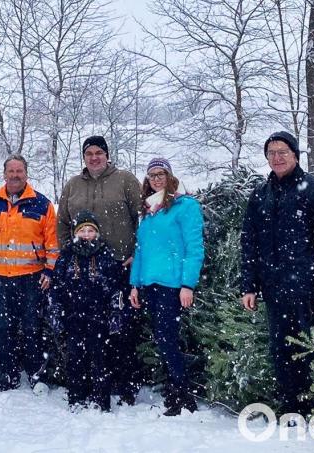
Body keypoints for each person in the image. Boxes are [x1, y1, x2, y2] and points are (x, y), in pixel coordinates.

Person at [240, 131, 314, 417]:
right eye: (271, 153)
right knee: (282, 351)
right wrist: (249, 285)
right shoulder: (260, 195)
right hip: (275, 289)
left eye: (282, 152)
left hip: (309, 288)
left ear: (295, 155)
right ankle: (292, 410)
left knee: (312, 349)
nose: (276, 158)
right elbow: (249, 242)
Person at [56, 135, 143, 405]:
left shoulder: (125, 180)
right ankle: (86, 385)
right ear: (84, 157)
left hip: (120, 267)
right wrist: (68, 253)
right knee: (86, 334)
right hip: (83, 273)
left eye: (99, 153)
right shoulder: (73, 185)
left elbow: (143, 217)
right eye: (89, 153)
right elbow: (62, 222)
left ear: (107, 155)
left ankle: (125, 385)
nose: (94, 158)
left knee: (121, 329)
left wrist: (137, 252)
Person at [0, 155, 59, 392]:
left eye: (19, 171)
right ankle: (7, 376)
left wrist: (49, 271)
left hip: (31, 278)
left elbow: (53, 244)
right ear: (4, 174)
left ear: (26, 174)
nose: (15, 175)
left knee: (32, 328)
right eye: (11, 171)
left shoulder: (42, 204)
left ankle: (36, 375)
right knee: (3, 329)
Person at [129, 157, 204, 416]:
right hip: (150, 284)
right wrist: (135, 284)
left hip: (172, 285)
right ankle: (176, 391)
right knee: (163, 340)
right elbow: (140, 251)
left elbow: (194, 248)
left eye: (161, 174)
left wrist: (187, 284)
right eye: (152, 175)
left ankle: (182, 396)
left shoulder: (185, 206)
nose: (157, 179)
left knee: (168, 340)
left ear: (170, 177)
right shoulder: (148, 212)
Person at [52, 210, 122, 412]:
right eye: (82, 230)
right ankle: (76, 397)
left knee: (99, 357)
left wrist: (115, 312)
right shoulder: (67, 255)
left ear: (96, 233)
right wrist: (56, 310)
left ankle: (100, 398)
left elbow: (114, 286)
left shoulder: (105, 254)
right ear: (76, 233)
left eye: (90, 230)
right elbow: (57, 286)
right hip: (73, 315)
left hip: (98, 316)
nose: (86, 235)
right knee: (75, 357)